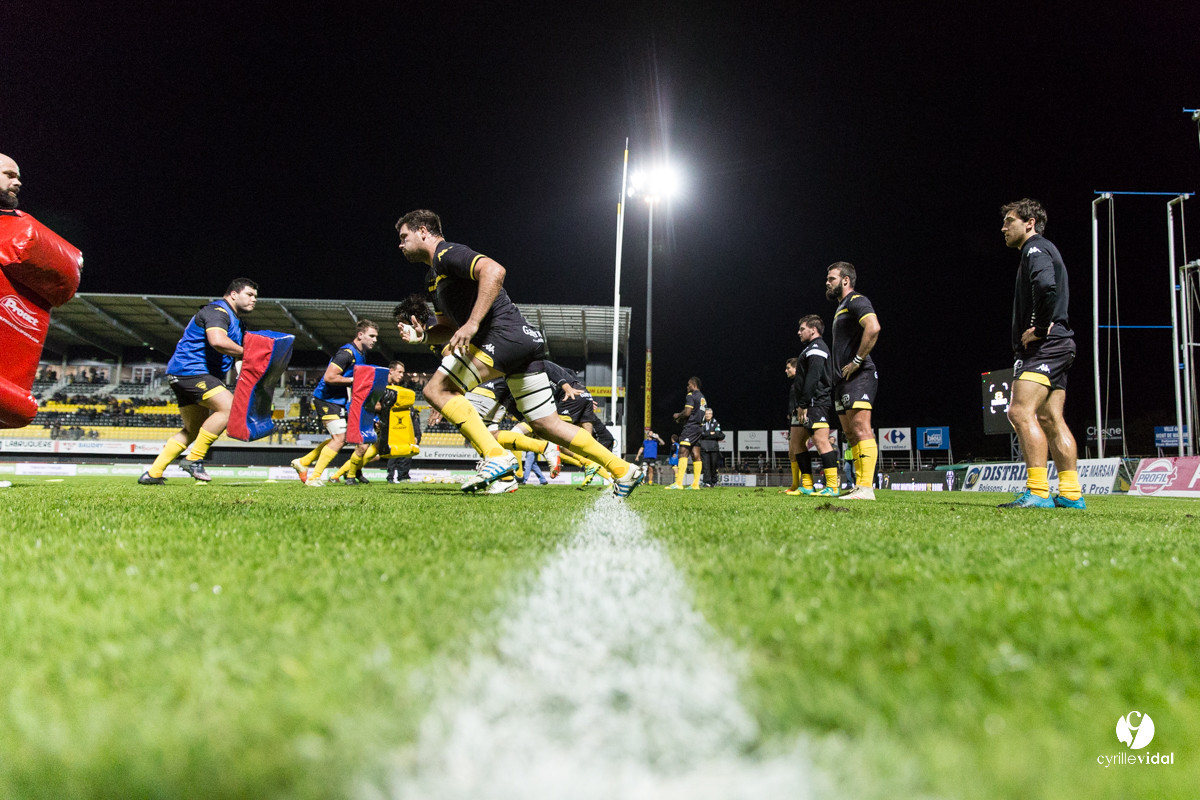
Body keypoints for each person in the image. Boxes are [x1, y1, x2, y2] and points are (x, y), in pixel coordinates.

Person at [393, 209, 641, 496]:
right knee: (547, 425)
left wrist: (473, 324)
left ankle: (497, 457)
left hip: (502, 337)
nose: (400, 244)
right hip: (519, 342)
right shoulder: (432, 277)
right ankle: (622, 469)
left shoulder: (446, 253)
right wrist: (424, 335)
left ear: (423, 231)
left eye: (404, 237)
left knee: (438, 390)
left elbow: (494, 270)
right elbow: (449, 326)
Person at [999, 198, 1084, 509]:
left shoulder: (1035, 249)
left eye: (1010, 221)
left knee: (1019, 412)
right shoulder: (1042, 250)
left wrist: (1038, 327)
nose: (1004, 227)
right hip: (1061, 344)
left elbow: (1046, 286)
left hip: (1045, 346)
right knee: (1050, 417)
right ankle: (1072, 494)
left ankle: (1037, 492)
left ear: (1029, 223)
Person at [139, 279, 259, 484]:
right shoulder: (216, 311)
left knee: (192, 430)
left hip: (186, 375)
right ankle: (194, 459)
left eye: (255, 296)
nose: (254, 299)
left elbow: (239, 354)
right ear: (233, 295)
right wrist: (251, 354)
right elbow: (218, 341)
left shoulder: (239, 323)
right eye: (249, 294)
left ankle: (153, 473)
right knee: (230, 408)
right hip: (191, 372)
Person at [288, 320, 379, 487]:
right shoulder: (346, 353)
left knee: (339, 438)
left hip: (339, 401)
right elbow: (329, 377)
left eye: (376, 337)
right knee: (340, 438)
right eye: (371, 336)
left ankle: (303, 461)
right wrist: (355, 380)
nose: (375, 340)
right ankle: (314, 478)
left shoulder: (362, 354)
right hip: (326, 399)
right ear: (360, 335)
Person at [826, 262, 881, 500]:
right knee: (849, 433)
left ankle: (866, 488)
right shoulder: (840, 308)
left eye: (831, 279)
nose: (827, 283)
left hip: (859, 375)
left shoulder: (856, 300)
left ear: (845, 280)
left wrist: (858, 360)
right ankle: (859, 485)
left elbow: (874, 327)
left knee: (861, 429)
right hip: (842, 380)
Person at [785, 316, 841, 497]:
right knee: (797, 443)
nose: (798, 332)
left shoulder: (817, 348)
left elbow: (813, 377)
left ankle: (832, 486)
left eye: (802, 329)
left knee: (821, 442)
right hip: (808, 403)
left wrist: (803, 403)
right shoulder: (809, 349)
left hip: (816, 402)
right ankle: (807, 485)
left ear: (813, 330)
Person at [668, 377, 706, 490]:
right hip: (699, 428)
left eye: (688, 384)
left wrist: (678, 416)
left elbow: (688, 412)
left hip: (691, 427)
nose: (687, 387)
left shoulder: (691, 395)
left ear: (693, 384)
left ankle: (678, 483)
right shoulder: (702, 397)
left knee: (682, 452)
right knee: (696, 455)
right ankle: (695, 484)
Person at [698, 408, 725, 487]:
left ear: (712, 414)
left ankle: (713, 481)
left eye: (709, 414)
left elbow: (718, 434)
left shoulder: (716, 423)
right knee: (706, 466)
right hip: (704, 448)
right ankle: (707, 482)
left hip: (714, 448)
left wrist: (706, 434)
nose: (707, 415)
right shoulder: (701, 423)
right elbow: (700, 434)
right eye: (706, 414)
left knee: (713, 466)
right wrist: (711, 434)